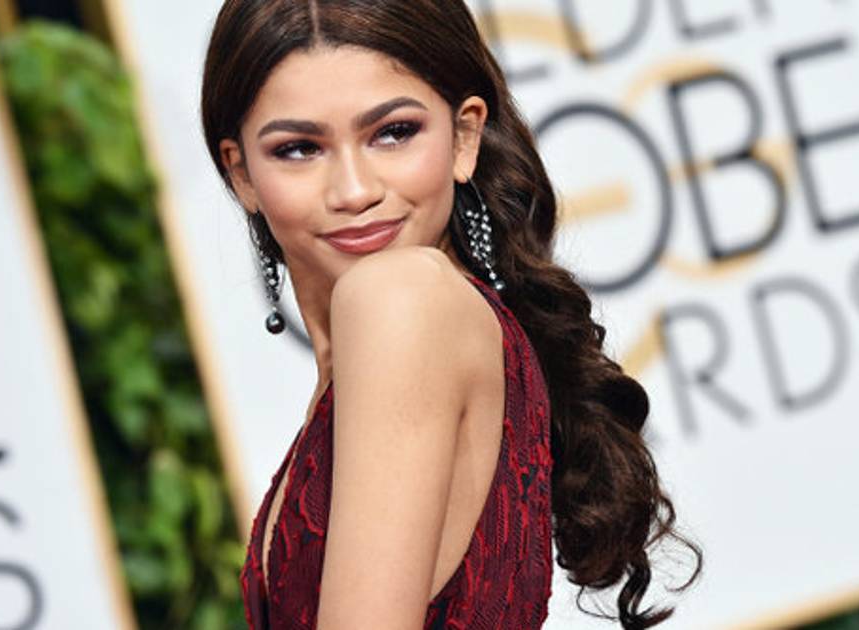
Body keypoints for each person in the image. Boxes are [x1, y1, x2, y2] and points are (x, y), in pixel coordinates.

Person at [199, 1, 701, 628]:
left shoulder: (402, 298)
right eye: (300, 148)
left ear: (464, 137)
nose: (354, 190)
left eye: (393, 132)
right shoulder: (437, 323)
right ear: (241, 173)